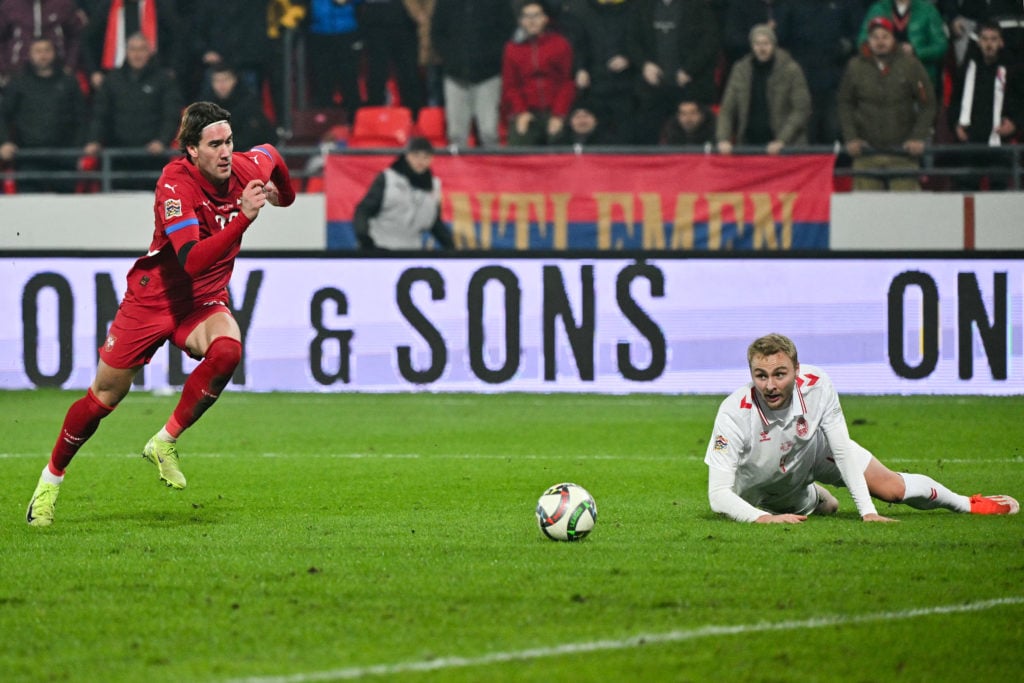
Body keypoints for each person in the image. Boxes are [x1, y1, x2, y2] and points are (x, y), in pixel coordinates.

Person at [25, 101, 297, 527]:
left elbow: (275, 159)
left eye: (228, 141)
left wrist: (285, 197)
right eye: (214, 144)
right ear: (191, 150)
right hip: (154, 300)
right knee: (103, 399)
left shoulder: (247, 165)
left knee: (228, 351)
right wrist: (243, 218)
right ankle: (50, 481)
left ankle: (164, 441)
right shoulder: (174, 183)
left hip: (203, 300)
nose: (226, 152)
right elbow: (190, 259)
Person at [704, 333, 1020, 524]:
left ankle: (967, 503)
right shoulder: (733, 414)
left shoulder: (817, 385)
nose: (770, 385)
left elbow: (841, 448)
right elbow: (718, 495)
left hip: (813, 450)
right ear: (751, 374)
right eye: (760, 376)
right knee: (826, 508)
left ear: (797, 371)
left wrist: (867, 511)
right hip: (765, 486)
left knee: (892, 489)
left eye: (780, 374)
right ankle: (813, 496)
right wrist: (763, 518)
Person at [837, 16, 936, 191]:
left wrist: (918, 136)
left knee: (906, 211)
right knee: (866, 211)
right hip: (866, 153)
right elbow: (845, 103)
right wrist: (851, 137)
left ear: (893, 39)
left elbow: (927, 103)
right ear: (868, 39)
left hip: (903, 153)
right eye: (875, 37)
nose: (880, 42)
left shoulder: (910, 65)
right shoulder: (855, 66)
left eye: (885, 36)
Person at [83, 31, 183, 190]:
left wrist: (162, 140)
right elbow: (100, 114)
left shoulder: (163, 79)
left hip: (152, 158)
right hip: (117, 157)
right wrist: (94, 140)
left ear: (150, 52)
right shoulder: (112, 80)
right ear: (126, 52)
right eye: (133, 49)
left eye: (142, 49)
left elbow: (171, 114)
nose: (137, 54)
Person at [0, 37, 88, 192]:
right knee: (30, 210)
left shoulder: (69, 82)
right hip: (28, 156)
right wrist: (5, 142)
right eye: (38, 51)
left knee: (66, 211)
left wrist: (78, 147)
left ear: (55, 53)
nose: (43, 55)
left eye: (47, 50)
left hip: (64, 156)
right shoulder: (18, 82)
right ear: (30, 54)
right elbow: (3, 115)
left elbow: (82, 117)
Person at [626, 0, 720, 144]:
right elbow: (631, 39)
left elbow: (710, 40)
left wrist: (690, 69)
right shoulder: (642, 6)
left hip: (689, 86)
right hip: (653, 88)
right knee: (648, 134)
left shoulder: (698, 5)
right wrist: (644, 65)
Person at [775, 0, 864, 145]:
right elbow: (781, 38)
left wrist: (844, 48)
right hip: (802, 79)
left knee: (834, 130)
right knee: (804, 131)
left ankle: (837, 166)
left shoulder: (846, 4)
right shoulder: (792, 4)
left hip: (835, 79)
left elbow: (859, 35)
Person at [947, 21, 1023, 190]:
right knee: (965, 191)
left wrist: (1015, 124)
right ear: (979, 41)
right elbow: (954, 102)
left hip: (999, 141)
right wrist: (956, 125)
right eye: (985, 39)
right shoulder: (966, 69)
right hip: (969, 141)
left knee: (998, 194)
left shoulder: (1014, 70)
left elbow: (1021, 104)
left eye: (993, 39)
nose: (989, 44)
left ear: (1001, 42)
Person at [431, 0, 517, 147]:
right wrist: (451, 57)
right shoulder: (445, 2)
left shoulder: (499, 3)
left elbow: (507, 31)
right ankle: (457, 170)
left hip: (488, 76)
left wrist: (490, 58)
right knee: (456, 135)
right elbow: (437, 32)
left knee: (489, 133)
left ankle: (493, 169)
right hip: (455, 76)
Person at [716, 24, 810, 155]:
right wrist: (723, 138)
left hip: (787, 147)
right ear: (751, 46)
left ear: (774, 44)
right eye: (757, 44)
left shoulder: (791, 69)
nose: (761, 48)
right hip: (749, 145)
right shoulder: (740, 70)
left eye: (766, 43)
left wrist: (782, 140)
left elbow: (801, 109)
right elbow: (727, 109)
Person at [353, 136, 454, 249]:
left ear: (432, 159)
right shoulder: (388, 178)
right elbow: (363, 210)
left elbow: (434, 222)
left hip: (411, 251)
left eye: (426, 157)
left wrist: (451, 248)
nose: (420, 161)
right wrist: (365, 240)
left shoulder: (434, 185)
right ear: (407, 156)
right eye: (416, 156)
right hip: (379, 247)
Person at [502, 1, 577, 146]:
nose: (532, 21)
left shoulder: (560, 44)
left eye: (536, 16)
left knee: (559, 139)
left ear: (545, 19)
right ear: (521, 21)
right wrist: (521, 111)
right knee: (519, 142)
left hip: (554, 108)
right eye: (527, 17)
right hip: (527, 110)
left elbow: (567, 82)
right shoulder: (512, 48)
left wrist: (558, 114)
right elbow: (511, 86)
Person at [562, 0, 637, 144]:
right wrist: (580, 68)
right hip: (594, 84)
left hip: (626, 85)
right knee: (596, 133)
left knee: (624, 132)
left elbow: (641, 40)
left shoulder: (634, 8)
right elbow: (578, 43)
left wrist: (629, 58)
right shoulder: (582, 9)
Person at [857, 0, 948, 93]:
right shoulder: (878, 9)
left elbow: (941, 46)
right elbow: (862, 43)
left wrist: (916, 51)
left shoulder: (928, 10)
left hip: (918, 80)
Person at [0, 0, 86, 89]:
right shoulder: (10, 5)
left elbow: (77, 36)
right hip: (17, 71)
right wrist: (4, 69)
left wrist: (70, 65)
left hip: (57, 73)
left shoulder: (63, 4)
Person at [359, 0, 424, 115]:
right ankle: (373, 116)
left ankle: (415, 117)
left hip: (404, 23)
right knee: (377, 73)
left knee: (409, 73)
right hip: (375, 24)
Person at [208, 63, 277, 152]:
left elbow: (253, 137)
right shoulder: (207, 104)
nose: (221, 85)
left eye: (225, 79)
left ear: (234, 80)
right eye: (217, 81)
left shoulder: (249, 103)